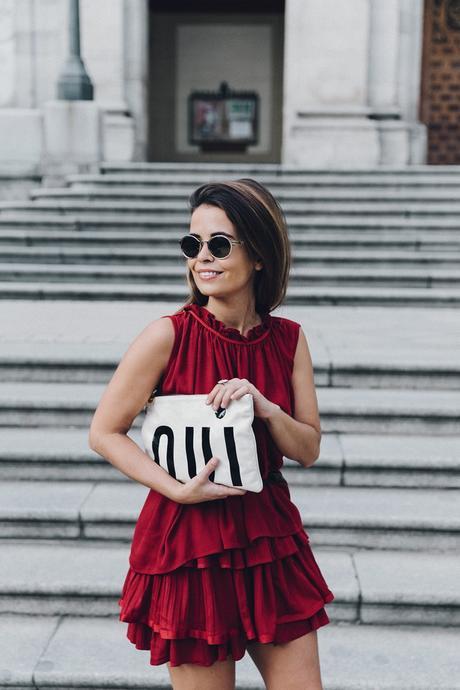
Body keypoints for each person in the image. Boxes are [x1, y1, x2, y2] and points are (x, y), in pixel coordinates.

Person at [88, 178, 335, 690]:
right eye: (192, 244)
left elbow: (308, 448)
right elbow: (105, 432)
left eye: (219, 244)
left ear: (259, 255)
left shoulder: (288, 340)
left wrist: (265, 408)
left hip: (270, 536)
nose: (203, 257)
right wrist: (176, 489)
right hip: (189, 545)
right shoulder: (167, 335)